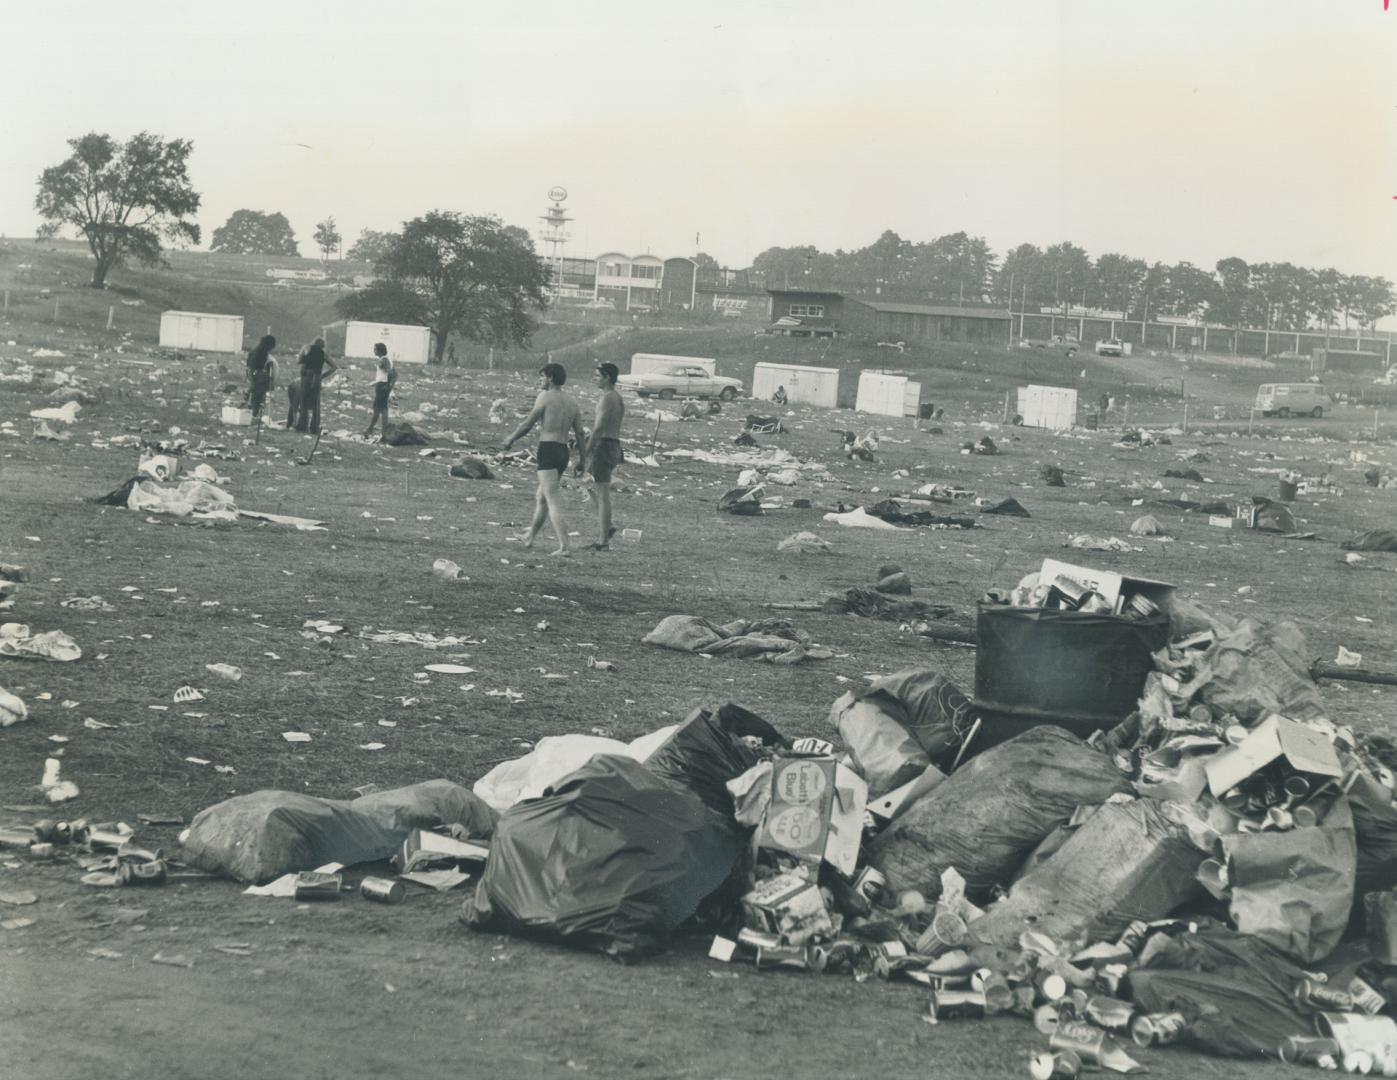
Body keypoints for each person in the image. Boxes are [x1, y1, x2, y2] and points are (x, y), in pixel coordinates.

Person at [504, 362, 586, 557]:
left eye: (542, 377)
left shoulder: (545, 397)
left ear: (550, 378)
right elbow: (581, 433)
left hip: (548, 449)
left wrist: (511, 438)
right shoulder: (572, 402)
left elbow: (527, 424)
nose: (540, 380)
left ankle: (565, 546)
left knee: (552, 499)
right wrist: (583, 459)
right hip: (562, 452)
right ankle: (530, 536)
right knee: (542, 496)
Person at [578, 362, 625, 551]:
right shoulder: (617, 397)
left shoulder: (608, 398)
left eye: (597, 376)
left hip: (604, 445)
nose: (593, 379)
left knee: (602, 493)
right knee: (587, 486)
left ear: (606, 377)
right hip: (612, 445)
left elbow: (598, 428)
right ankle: (608, 527)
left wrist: (585, 452)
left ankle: (603, 541)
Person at [294, 337, 337, 434]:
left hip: (307, 376)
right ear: (323, 346)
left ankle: (302, 427)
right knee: (315, 404)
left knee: (304, 402)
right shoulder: (323, 353)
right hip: (317, 377)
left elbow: (298, 361)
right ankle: (314, 428)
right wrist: (323, 376)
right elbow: (334, 367)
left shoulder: (306, 348)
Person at [363, 342, 396, 441]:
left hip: (382, 386)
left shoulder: (384, 359)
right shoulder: (385, 359)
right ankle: (373, 429)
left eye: (375, 349)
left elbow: (390, 373)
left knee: (380, 409)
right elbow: (393, 374)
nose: (374, 351)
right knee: (380, 408)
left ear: (380, 350)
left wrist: (388, 385)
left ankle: (378, 431)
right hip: (381, 384)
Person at [245, 335, 276, 420]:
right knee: (258, 396)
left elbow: (249, 364)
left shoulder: (255, 350)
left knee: (255, 393)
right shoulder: (262, 352)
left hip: (252, 373)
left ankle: (252, 411)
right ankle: (254, 414)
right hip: (258, 375)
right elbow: (259, 365)